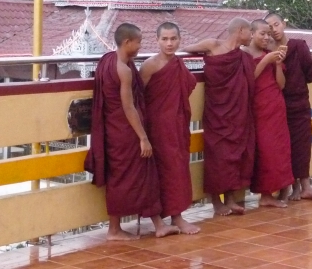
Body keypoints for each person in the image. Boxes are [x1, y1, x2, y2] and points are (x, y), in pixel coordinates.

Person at [84, 23, 179, 240]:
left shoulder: (108, 60)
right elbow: (128, 107)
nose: (140, 46)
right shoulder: (123, 69)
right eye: (138, 42)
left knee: (137, 176)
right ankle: (114, 229)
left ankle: (158, 225)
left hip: (113, 130)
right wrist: (143, 138)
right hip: (127, 133)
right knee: (128, 178)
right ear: (127, 42)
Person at [182, 18, 255, 216]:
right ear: (240, 31)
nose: (252, 36)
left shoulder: (244, 57)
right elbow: (185, 49)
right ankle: (216, 201)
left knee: (236, 154)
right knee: (217, 156)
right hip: (217, 112)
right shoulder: (212, 46)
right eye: (250, 31)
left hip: (237, 112)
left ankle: (230, 199)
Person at [139, 22, 200, 234]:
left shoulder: (178, 64)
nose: (169, 43)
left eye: (173, 39)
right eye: (164, 39)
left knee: (178, 169)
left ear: (179, 40)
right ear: (156, 41)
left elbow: (187, 86)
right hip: (156, 128)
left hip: (176, 124)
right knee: (158, 172)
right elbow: (139, 98)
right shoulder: (150, 65)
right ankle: (161, 222)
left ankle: (177, 216)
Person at [266, 13, 312, 201]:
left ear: (284, 24)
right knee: (284, 147)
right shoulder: (267, 52)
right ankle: (292, 187)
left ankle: (305, 186)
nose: (274, 29)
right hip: (278, 105)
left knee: (302, 145)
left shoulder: (298, 46)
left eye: (276, 24)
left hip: (299, 103)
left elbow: (308, 71)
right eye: (269, 27)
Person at [243, 19, 294, 208]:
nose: (266, 37)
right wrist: (265, 61)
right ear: (252, 33)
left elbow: (281, 84)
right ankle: (265, 195)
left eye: (268, 34)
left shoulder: (269, 55)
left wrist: (278, 63)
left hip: (276, 108)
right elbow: (248, 80)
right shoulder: (245, 54)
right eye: (262, 34)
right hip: (259, 109)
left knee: (280, 150)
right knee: (266, 151)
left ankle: (276, 191)